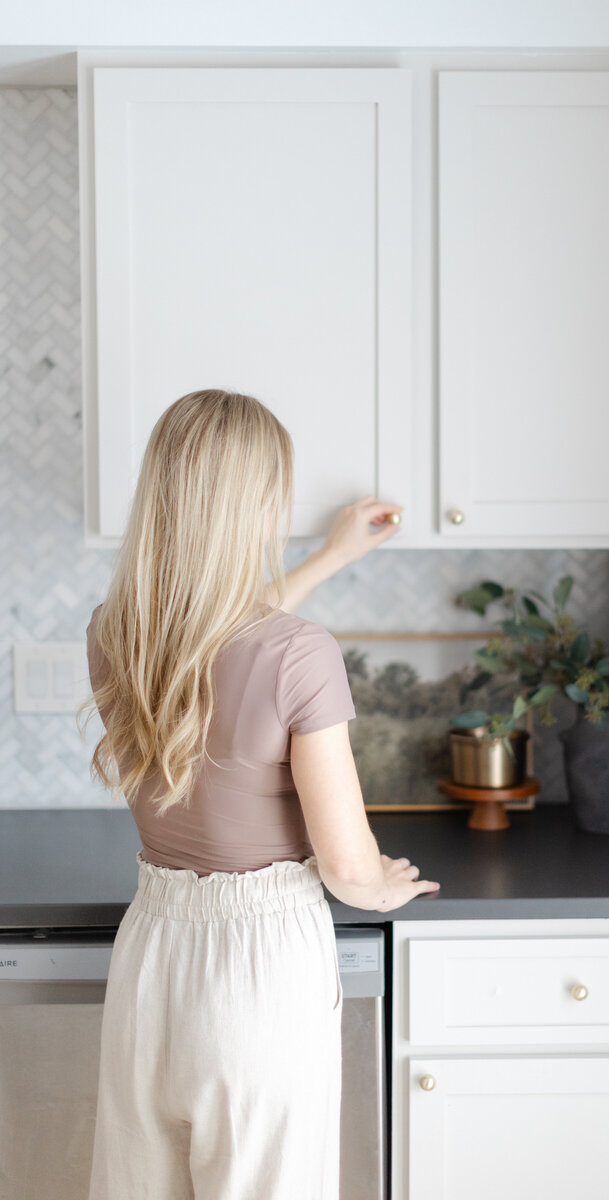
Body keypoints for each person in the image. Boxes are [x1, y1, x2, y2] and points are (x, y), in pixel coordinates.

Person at [77, 388, 441, 1200]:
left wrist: (331, 558)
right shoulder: (301, 655)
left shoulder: (116, 631)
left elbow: (214, 637)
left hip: (150, 964)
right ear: (261, 504)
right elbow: (348, 868)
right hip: (259, 976)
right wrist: (385, 881)